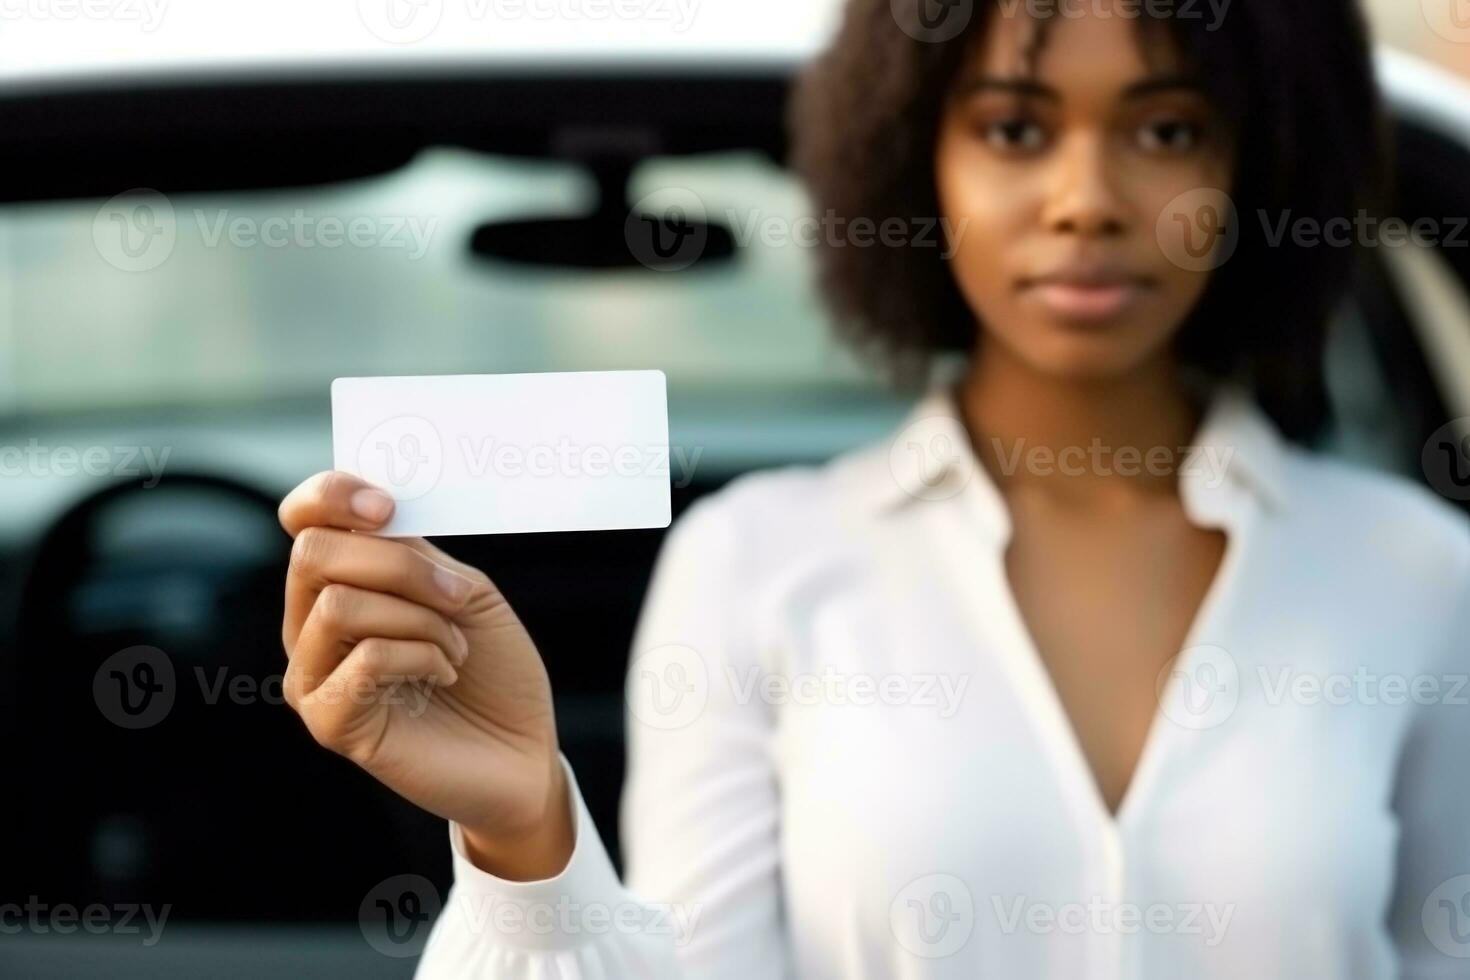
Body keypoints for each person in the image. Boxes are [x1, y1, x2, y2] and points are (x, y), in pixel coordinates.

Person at [275, 1, 1470, 975]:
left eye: (1167, 131)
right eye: (1013, 129)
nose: (1087, 198)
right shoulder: (752, 559)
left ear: (1255, 162)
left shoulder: (1416, 571)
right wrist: (524, 831)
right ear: (915, 162)